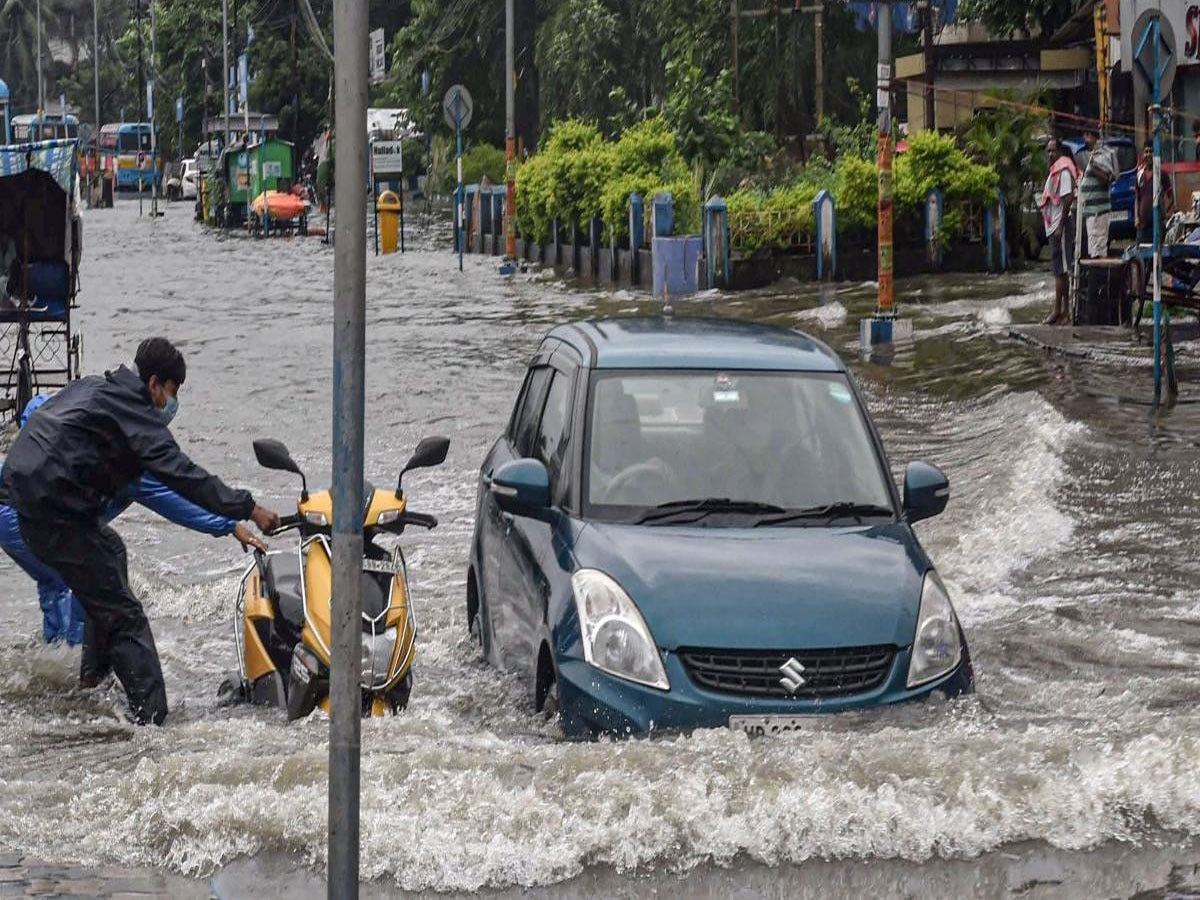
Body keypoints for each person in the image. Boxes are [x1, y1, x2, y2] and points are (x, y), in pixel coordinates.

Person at [0, 338, 280, 725]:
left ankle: (91, 679)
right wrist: (248, 508)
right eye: (171, 392)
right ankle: (152, 722)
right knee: (125, 613)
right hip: (51, 513)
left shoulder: (96, 388)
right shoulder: (134, 418)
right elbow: (182, 477)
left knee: (111, 555)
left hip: (33, 500)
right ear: (154, 384)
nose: (170, 403)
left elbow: (40, 415)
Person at [0, 394, 267, 649]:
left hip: (11, 503)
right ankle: (75, 664)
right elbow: (176, 501)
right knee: (77, 578)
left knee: (54, 580)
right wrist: (229, 524)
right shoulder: (130, 457)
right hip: (27, 513)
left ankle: (54, 657)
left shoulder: (95, 413)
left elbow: (37, 405)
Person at [1038, 138, 1080, 325]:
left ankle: (1059, 311)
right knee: (1061, 270)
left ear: (1060, 152)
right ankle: (1064, 312)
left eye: (1052, 151)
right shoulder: (1055, 171)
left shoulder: (1063, 170)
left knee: (1060, 270)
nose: (1050, 155)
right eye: (1048, 151)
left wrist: (1061, 226)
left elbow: (1068, 197)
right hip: (1053, 226)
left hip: (1059, 226)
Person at [1079, 125, 1118, 259]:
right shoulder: (1094, 154)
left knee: (1099, 249)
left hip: (1098, 211)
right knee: (1094, 249)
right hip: (1092, 211)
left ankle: (1100, 277)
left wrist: (1092, 167)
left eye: (1086, 136)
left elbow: (1106, 178)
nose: (1084, 139)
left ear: (1091, 136)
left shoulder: (1100, 154)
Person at [1135, 142, 1173, 246]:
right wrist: (1137, 217)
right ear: (1143, 154)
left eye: (1151, 151)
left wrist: (1166, 215)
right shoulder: (1139, 174)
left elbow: (1169, 195)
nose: (1148, 154)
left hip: (1158, 224)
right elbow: (1137, 198)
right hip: (1143, 225)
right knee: (1141, 254)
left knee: (1157, 255)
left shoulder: (1162, 174)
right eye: (1146, 152)